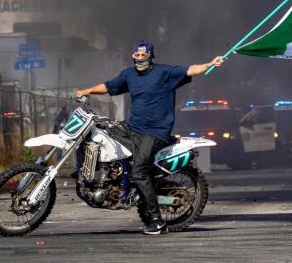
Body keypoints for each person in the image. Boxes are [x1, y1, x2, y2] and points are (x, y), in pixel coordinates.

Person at [75, 40, 223, 235]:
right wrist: (86, 91)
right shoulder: (129, 74)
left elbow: (190, 70)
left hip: (154, 132)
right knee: (102, 134)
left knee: (139, 172)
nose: (139, 58)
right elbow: (109, 86)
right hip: (132, 127)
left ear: (150, 55)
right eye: (136, 55)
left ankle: (157, 221)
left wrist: (210, 64)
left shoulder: (164, 73)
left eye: (142, 55)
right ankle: (113, 181)